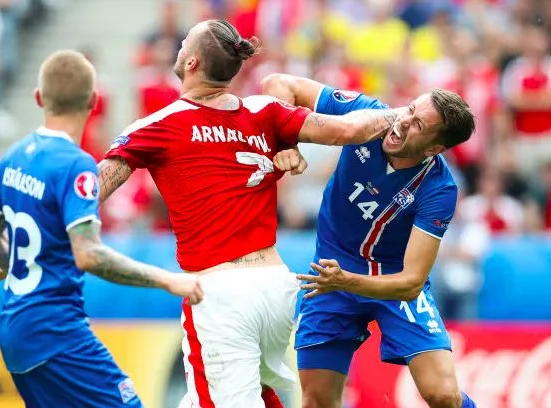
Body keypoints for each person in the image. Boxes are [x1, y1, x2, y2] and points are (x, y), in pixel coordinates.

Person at [97, 19, 405, 408]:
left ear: (191, 62)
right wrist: (404, 113)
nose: (177, 49)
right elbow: (345, 130)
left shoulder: (159, 124)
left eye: (183, 45)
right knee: (231, 397)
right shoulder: (265, 111)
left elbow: (93, 190)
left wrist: (43, 237)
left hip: (220, 293)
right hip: (274, 287)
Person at [0, 50, 204, 408]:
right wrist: (168, 280)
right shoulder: (76, 165)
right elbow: (89, 253)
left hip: (14, 328)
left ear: (38, 98)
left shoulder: (15, 155)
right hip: (56, 330)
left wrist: (15, 264)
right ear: (93, 101)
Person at [262, 73, 477, 408]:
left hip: (388, 281)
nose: (403, 122)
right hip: (332, 272)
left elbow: (410, 283)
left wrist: (348, 281)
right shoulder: (367, 114)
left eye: (418, 124)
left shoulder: (439, 188)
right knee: (317, 400)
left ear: (435, 149)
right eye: (409, 109)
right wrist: (286, 144)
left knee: (443, 396)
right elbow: (278, 84)